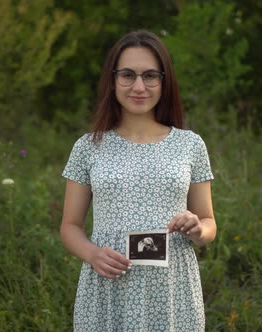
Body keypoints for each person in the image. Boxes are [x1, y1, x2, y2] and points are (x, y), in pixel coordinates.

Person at [60, 30, 216, 331]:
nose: (139, 86)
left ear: (164, 80)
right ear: (113, 79)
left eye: (150, 76)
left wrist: (198, 229)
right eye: (128, 75)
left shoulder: (190, 145)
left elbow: (208, 221)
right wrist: (93, 255)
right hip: (109, 288)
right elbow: (70, 226)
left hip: (172, 290)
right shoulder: (88, 146)